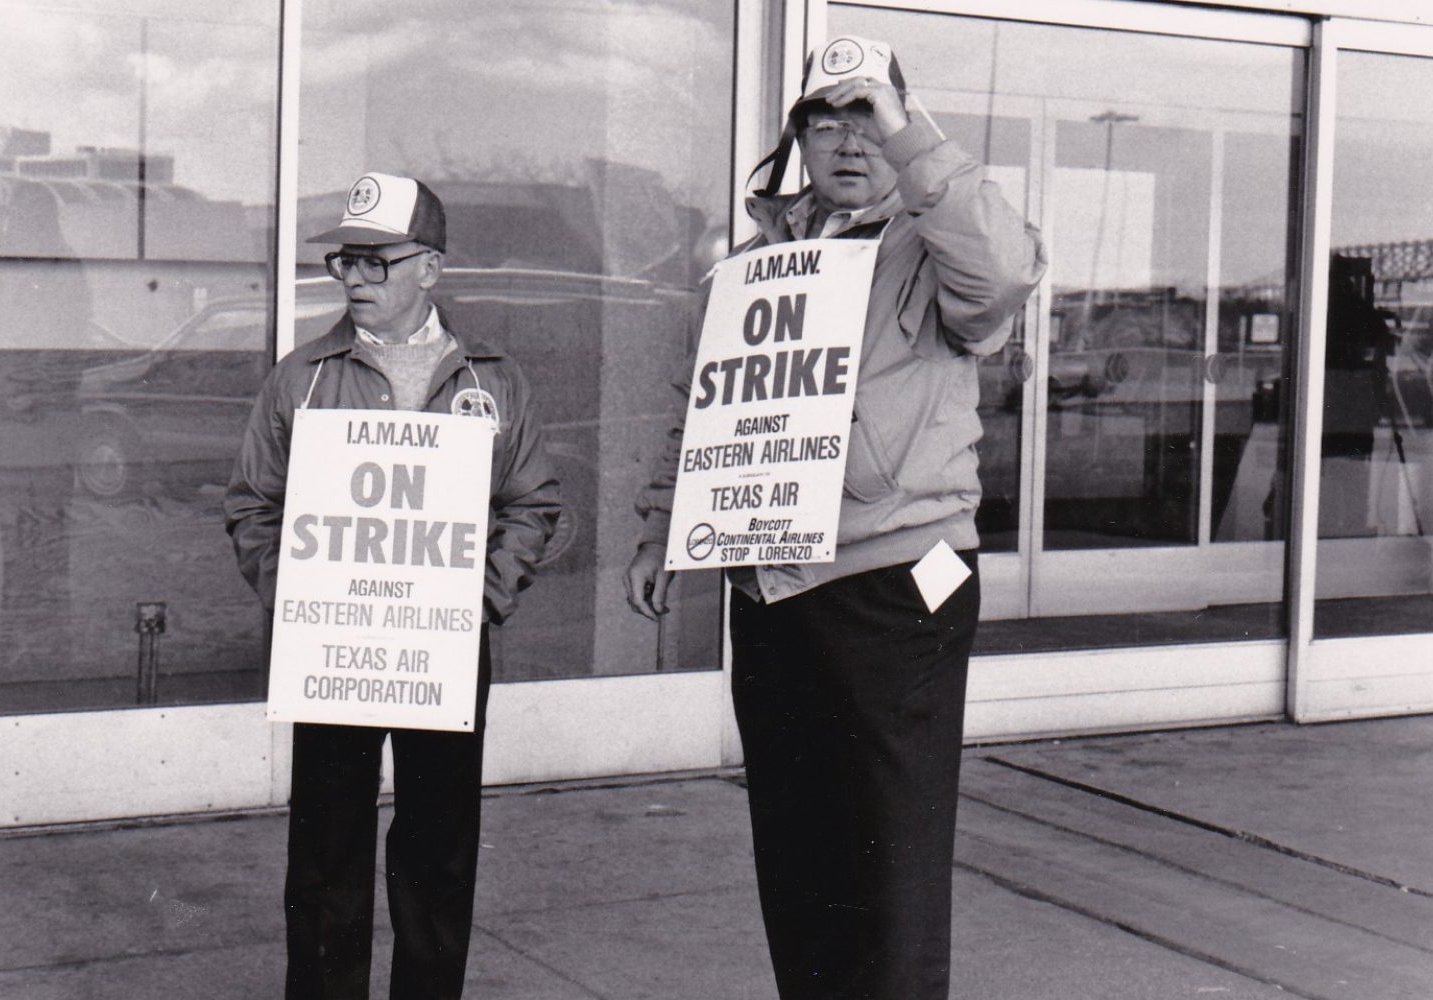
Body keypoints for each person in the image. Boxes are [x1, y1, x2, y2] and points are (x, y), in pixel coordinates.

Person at [625, 36, 1045, 1000]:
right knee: (799, 853)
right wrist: (662, 529)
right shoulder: (751, 271)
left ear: (901, 126)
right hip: (775, 580)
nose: (849, 139)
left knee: (888, 867)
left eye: (871, 115)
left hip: (896, 585)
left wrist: (914, 142)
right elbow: (703, 407)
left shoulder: (933, 246)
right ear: (798, 140)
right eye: (828, 119)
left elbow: (1007, 273)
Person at [225, 172, 560, 1000]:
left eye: (377, 262)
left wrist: (478, 600)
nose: (354, 280)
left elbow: (533, 503)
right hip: (336, 647)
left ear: (430, 269)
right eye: (346, 261)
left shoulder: (493, 380)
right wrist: (302, 594)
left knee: (439, 853)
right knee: (326, 855)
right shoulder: (300, 377)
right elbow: (251, 505)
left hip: (444, 650)